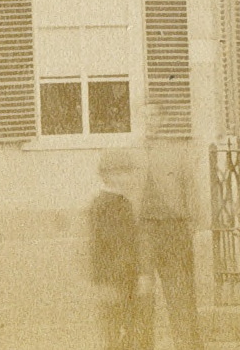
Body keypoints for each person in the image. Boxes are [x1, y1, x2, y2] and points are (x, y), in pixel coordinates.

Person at [136, 102, 204, 350]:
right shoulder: (131, 153)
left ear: (162, 120)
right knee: (141, 295)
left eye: (154, 116)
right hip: (142, 231)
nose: (150, 121)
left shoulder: (176, 151)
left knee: (181, 294)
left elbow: (191, 188)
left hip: (173, 230)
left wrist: (192, 222)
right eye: (145, 117)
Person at [85, 150, 151, 350]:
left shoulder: (122, 203)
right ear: (107, 175)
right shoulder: (107, 205)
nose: (127, 178)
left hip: (123, 277)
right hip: (116, 278)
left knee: (126, 330)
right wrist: (107, 281)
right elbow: (104, 246)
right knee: (118, 332)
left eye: (128, 172)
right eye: (121, 173)